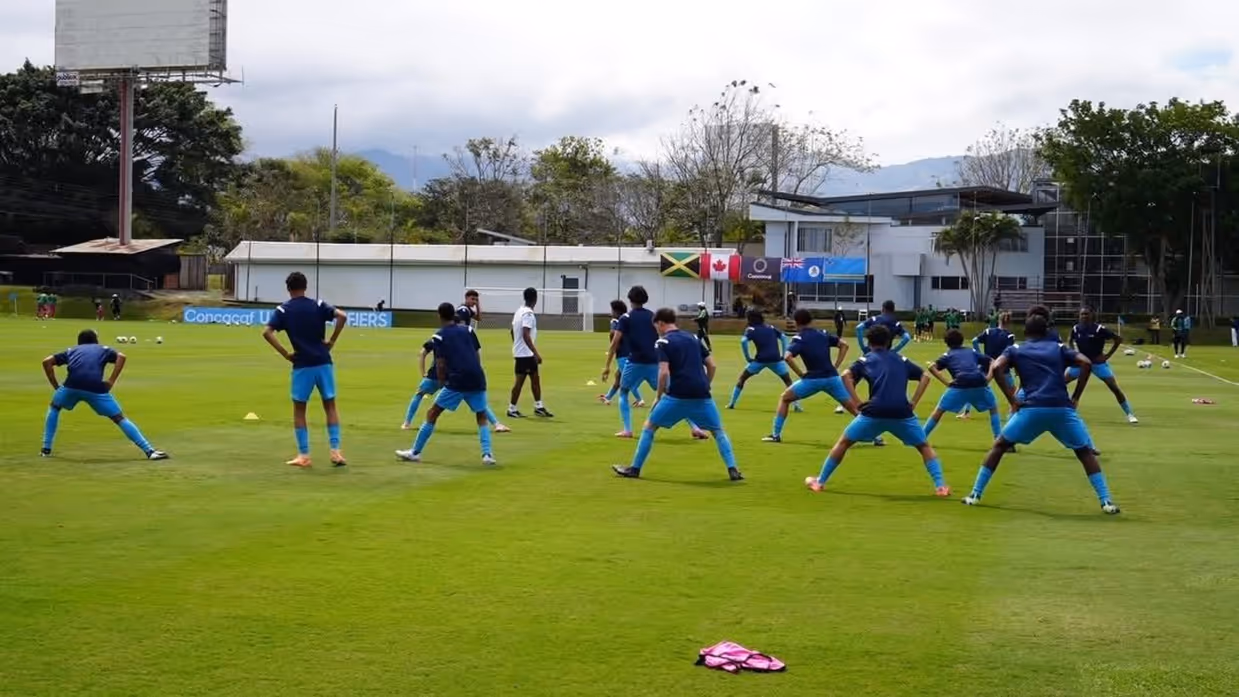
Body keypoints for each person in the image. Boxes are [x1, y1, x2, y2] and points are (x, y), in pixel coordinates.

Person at [961, 307, 1120, 514]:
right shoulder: (1059, 347)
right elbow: (1086, 362)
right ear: (1046, 330)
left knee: (999, 446)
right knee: (1084, 452)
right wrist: (1076, 397)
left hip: (1032, 409)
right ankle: (1106, 501)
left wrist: (1012, 399)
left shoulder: (1016, 349)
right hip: (1061, 409)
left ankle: (975, 494)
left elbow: (997, 367)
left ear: (1025, 332)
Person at [804, 324, 949, 496]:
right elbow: (925, 377)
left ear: (869, 341)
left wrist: (857, 402)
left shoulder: (865, 359)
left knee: (844, 443)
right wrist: (913, 403)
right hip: (901, 412)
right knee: (924, 446)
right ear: (888, 341)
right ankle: (941, 486)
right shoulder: (900, 359)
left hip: (874, 411)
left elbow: (845, 376)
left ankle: (820, 482)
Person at [611, 308, 742, 481]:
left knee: (649, 427)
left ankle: (634, 469)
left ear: (660, 323)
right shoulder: (694, 338)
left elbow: (664, 372)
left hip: (677, 395)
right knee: (718, 431)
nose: (656, 331)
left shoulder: (663, 343)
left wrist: (658, 396)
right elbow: (712, 365)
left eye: (656, 327)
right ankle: (733, 470)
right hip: (702, 395)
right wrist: (706, 385)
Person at [262, 271, 349, 468]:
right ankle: (335, 451)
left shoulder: (283, 310)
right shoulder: (318, 305)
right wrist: (332, 341)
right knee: (330, 406)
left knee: (300, 410)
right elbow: (342, 316)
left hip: (302, 365)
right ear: (305, 286)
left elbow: (266, 332)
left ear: (288, 288)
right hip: (324, 362)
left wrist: (285, 354)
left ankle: (304, 455)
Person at [40, 328, 168, 460]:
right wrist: (111, 381)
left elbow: (46, 361)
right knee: (118, 418)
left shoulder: (71, 350)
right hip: (95, 387)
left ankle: (46, 449)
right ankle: (149, 451)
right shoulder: (103, 349)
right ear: (96, 340)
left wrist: (56, 386)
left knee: (55, 408)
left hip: (71, 386)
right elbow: (122, 357)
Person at [396, 303, 497, 465]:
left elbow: (440, 363)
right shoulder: (469, 330)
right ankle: (487, 454)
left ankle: (415, 452)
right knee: (481, 415)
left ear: (439, 316)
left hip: (457, 380)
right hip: (477, 377)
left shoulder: (439, 336)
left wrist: (443, 382)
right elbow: (477, 353)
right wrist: (477, 371)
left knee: (433, 413)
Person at [603, 287, 707, 439]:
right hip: (655, 362)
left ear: (630, 300)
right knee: (674, 395)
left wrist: (607, 366)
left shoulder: (625, 318)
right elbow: (665, 338)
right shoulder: (653, 316)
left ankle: (627, 429)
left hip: (635, 362)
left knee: (624, 392)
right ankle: (695, 427)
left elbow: (615, 342)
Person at [764, 309, 878, 444]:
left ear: (796, 322)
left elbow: (787, 357)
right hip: (832, 378)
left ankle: (776, 435)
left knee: (785, 399)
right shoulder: (822, 333)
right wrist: (836, 365)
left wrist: (800, 374)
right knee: (853, 409)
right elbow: (844, 345)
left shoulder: (799, 338)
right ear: (810, 320)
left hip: (812, 379)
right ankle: (876, 437)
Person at [922, 329, 1003, 442]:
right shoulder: (971, 351)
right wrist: (988, 378)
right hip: (979, 382)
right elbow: (992, 361)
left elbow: (931, 367)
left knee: (939, 411)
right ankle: (998, 438)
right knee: (993, 408)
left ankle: (921, 437)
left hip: (960, 384)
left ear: (947, 343)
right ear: (962, 341)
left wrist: (947, 383)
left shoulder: (948, 355)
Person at [1066, 307, 1137, 425]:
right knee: (1059, 383)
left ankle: (1130, 414)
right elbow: (1070, 339)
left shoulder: (1099, 329)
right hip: (1081, 364)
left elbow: (1118, 339)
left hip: (1097, 364)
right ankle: (1059, 410)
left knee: (1114, 388)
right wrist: (1074, 353)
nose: (1084, 316)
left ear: (1092, 315)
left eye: (1086, 314)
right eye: (1082, 314)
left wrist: (1107, 356)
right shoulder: (1076, 328)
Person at [727, 310, 799, 411]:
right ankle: (797, 405)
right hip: (776, 359)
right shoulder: (770, 327)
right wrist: (784, 353)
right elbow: (783, 337)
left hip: (760, 360)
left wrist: (747, 357)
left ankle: (732, 403)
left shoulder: (751, 329)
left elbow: (743, 341)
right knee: (788, 381)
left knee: (742, 379)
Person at [508, 287, 552, 418]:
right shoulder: (528, 314)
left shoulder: (519, 311)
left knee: (535, 379)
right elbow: (526, 334)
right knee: (520, 382)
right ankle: (512, 408)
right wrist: (535, 353)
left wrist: (516, 345)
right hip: (525, 354)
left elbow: (512, 331)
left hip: (523, 352)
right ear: (535, 299)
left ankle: (539, 406)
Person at [599, 299, 645, 407]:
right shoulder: (628, 321)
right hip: (630, 352)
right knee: (618, 376)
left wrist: (613, 344)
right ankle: (608, 397)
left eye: (612, 311)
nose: (610, 313)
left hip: (622, 355)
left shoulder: (615, 321)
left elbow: (612, 332)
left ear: (616, 311)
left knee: (627, 378)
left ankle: (640, 399)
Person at [972, 312, 1017, 419]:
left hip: (987, 365)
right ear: (1009, 322)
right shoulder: (1009, 336)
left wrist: (980, 356)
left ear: (999, 321)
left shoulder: (988, 332)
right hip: (1002, 367)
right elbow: (1011, 352)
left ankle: (967, 412)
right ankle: (1014, 410)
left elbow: (974, 341)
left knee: (975, 386)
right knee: (1013, 391)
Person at [402, 336, 442, 430]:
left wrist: (423, 372)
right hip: (452, 376)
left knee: (419, 395)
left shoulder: (437, 337)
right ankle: (482, 421)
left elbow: (422, 353)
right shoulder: (459, 338)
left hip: (434, 375)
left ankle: (407, 423)